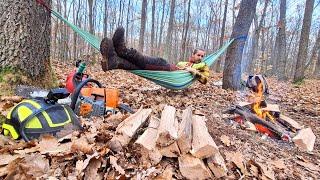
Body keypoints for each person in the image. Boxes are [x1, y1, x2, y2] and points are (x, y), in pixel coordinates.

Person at [100, 27, 209, 84]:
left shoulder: (203, 66)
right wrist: (186, 67)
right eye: (198, 55)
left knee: (144, 62)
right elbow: (178, 66)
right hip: (167, 68)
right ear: (193, 55)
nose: (200, 57)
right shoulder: (184, 63)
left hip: (167, 70)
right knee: (138, 66)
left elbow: (205, 80)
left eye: (202, 56)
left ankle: (122, 51)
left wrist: (194, 72)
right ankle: (115, 61)